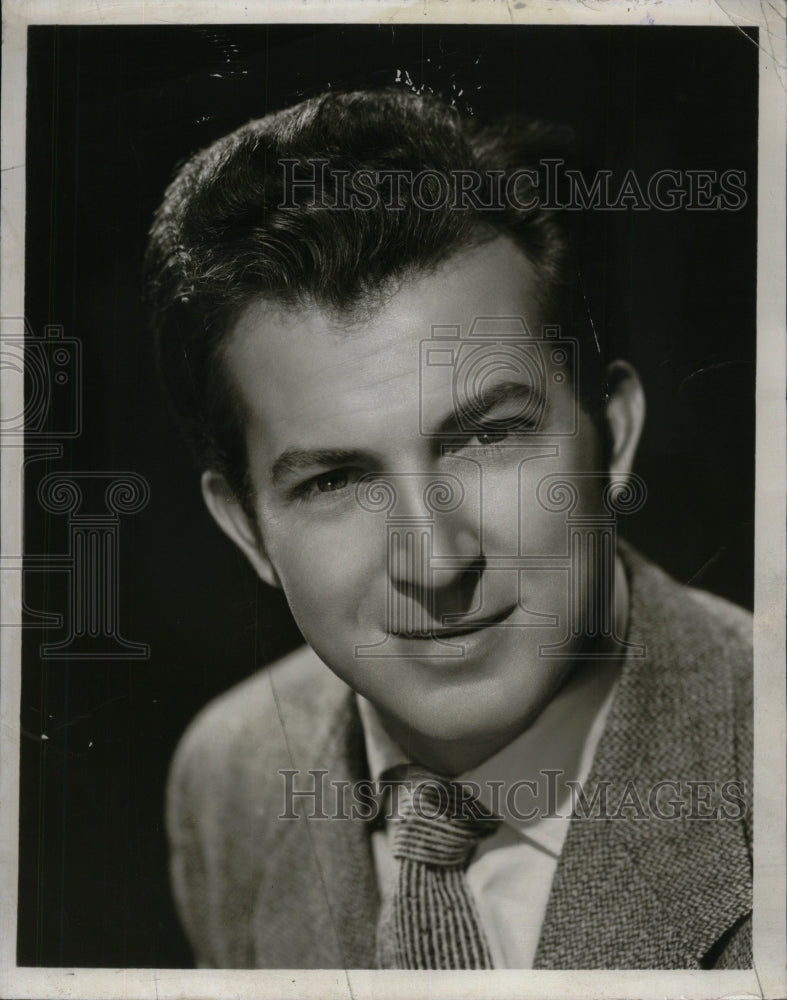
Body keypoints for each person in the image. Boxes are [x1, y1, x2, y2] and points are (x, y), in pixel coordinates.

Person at [145, 88, 752, 970]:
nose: (434, 561)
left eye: (488, 437)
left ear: (611, 437)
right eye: (335, 480)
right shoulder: (227, 778)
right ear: (246, 530)